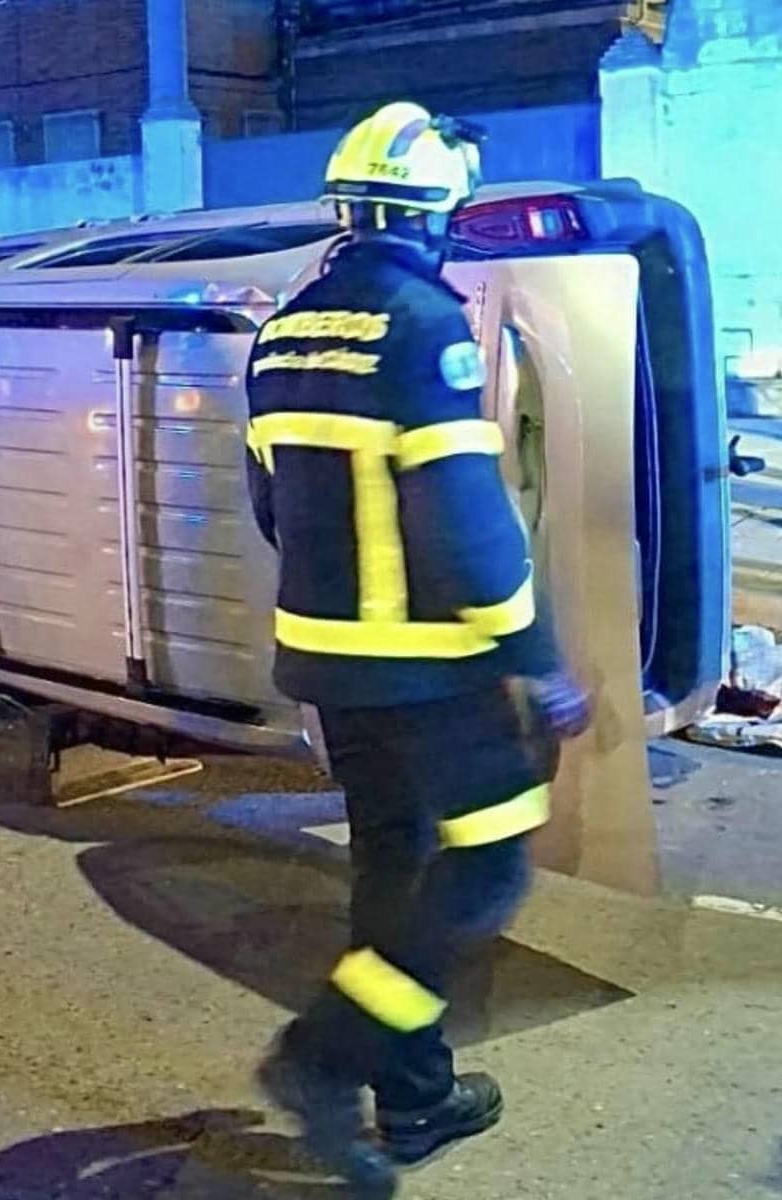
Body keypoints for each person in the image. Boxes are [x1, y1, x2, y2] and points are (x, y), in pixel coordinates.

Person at [241, 101, 594, 1199]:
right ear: (436, 217)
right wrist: (532, 657)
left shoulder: (281, 329)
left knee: (391, 865)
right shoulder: (420, 327)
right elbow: (465, 522)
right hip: (429, 674)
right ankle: (325, 1055)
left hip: (327, 668)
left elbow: (270, 507)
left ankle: (412, 1098)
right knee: (485, 865)